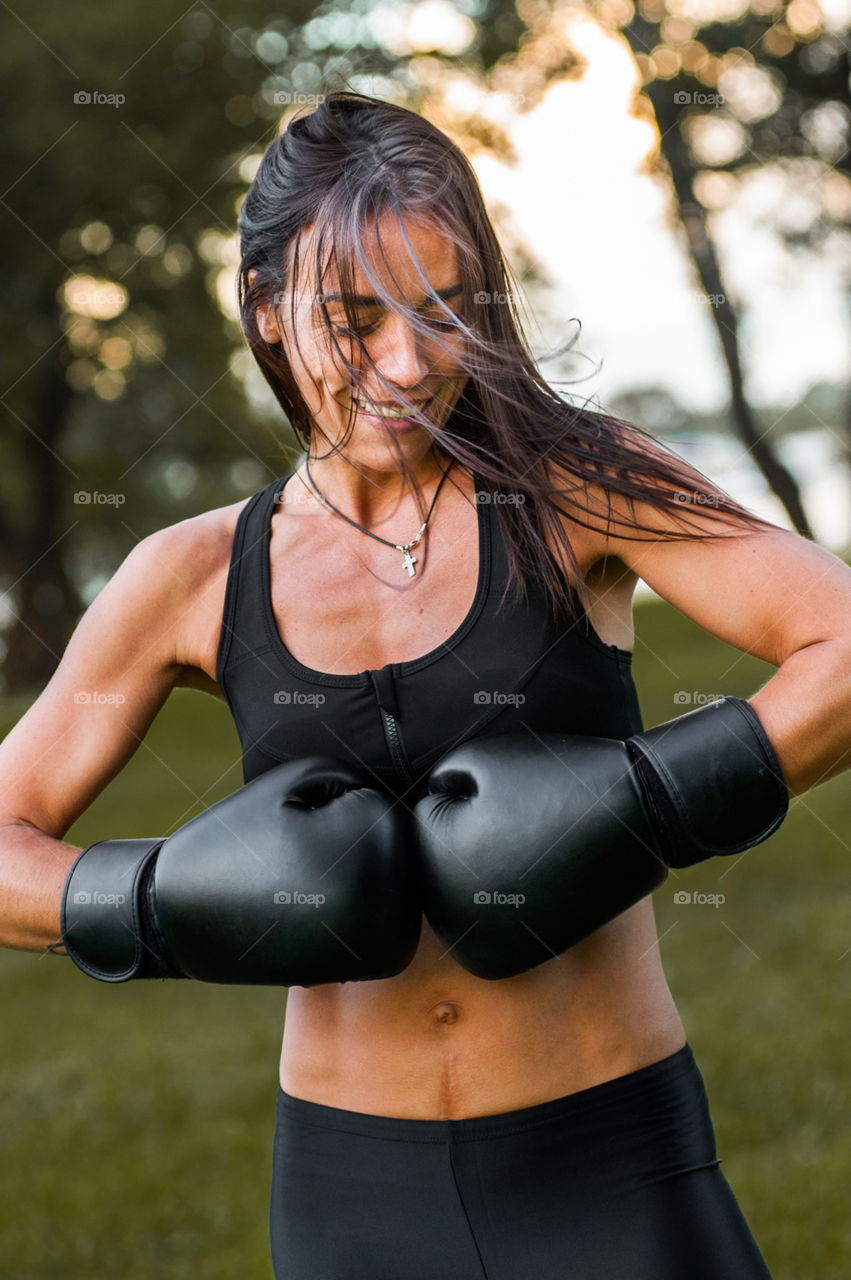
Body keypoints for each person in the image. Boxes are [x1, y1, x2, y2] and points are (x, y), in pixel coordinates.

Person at [2, 91, 850, 1279]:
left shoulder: (571, 489)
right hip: (352, 1197)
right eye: (353, 318)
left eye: (444, 309)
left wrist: (647, 803)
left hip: (609, 1159)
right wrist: (157, 899)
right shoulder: (190, 575)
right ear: (263, 309)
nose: (406, 362)